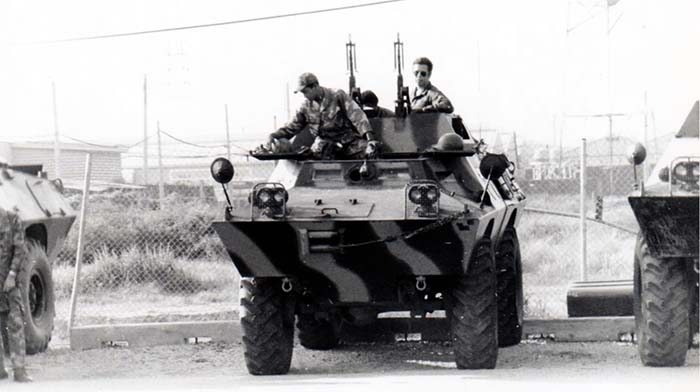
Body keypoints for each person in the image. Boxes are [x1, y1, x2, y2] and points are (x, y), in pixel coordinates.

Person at [267, 72, 380, 159]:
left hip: (348, 142)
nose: (305, 96)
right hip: (323, 146)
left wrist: (370, 140)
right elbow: (291, 128)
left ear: (315, 86)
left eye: (306, 91)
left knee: (371, 153)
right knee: (311, 160)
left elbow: (357, 116)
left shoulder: (337, 95)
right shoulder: (305, 107)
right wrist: (273, 136)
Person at [0, 207, 32, 383]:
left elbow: (20, 249)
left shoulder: (11, 219)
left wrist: (12, 275)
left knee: (15, 325)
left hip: (8, 282)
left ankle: (19, 371)